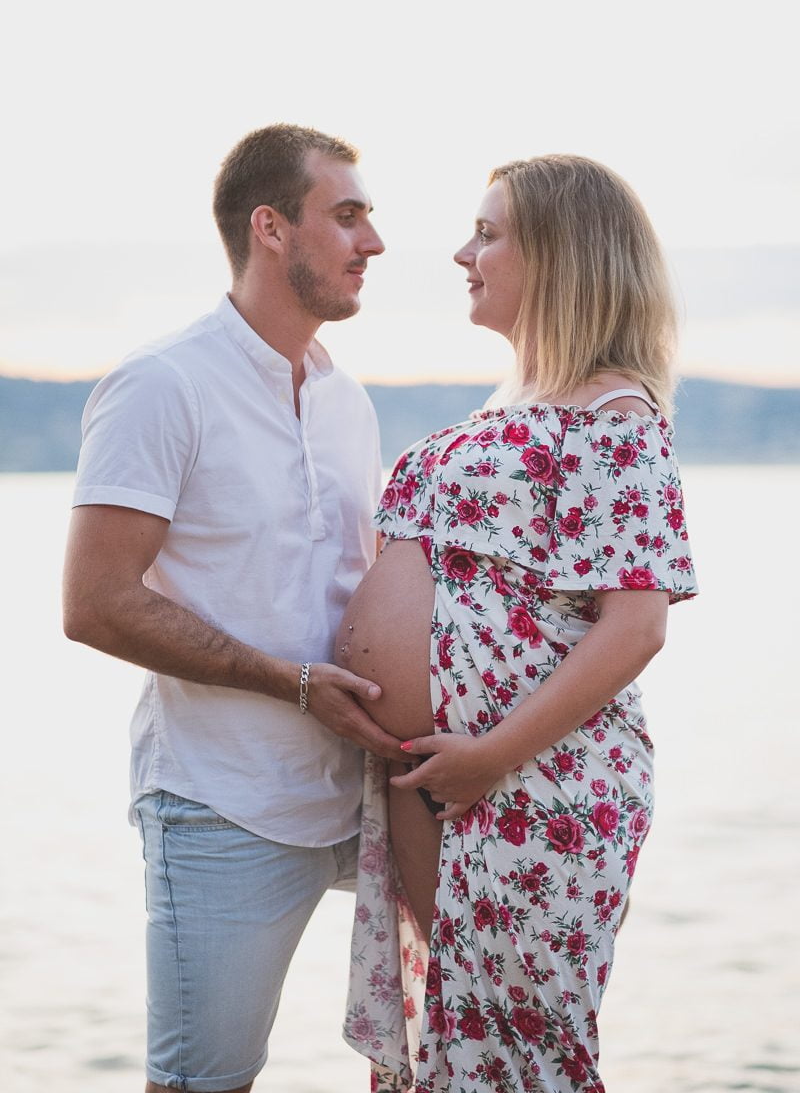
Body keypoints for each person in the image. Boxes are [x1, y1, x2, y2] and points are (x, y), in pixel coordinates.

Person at [339, 155, 698, 1092]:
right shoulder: (518, 406)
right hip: (450, 778)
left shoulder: (617, 414)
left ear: (562, 255)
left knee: (529, 1055)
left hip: (534, 778)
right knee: (459, 1051)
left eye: (488, 234)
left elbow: (636, 626)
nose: (464, 254)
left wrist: (491, 755)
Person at [62, 123, 406, 1093]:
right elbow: (94, 605)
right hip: (224, 805)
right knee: (204, 1084)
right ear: (270, 228)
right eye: (347, 215)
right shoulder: (162, 385)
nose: (373, 242)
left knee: (434, 1054)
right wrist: (291, 684)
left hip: (365, 792)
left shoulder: (346, 400)